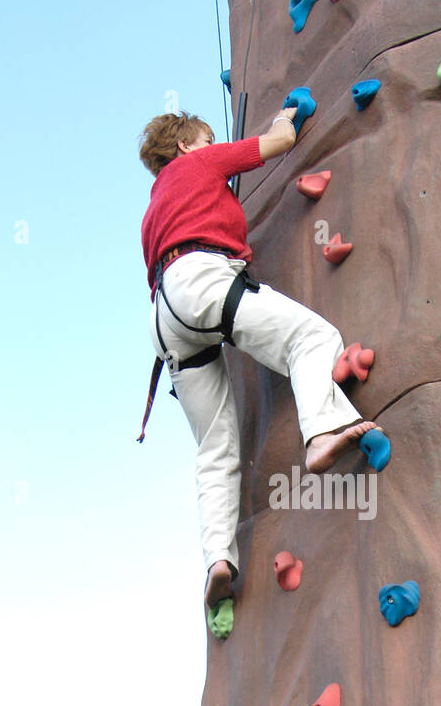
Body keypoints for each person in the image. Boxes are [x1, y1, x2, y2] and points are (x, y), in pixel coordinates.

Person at [138, 107, 379, 611]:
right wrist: (286, 116)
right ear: (186, 146)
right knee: (312, 336)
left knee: (214, 448)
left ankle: (218, 562)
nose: (214, 144)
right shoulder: (198, 164)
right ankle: (320, 434)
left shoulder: (154, 206)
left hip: (166, 318)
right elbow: (277, 142)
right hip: (203, 280)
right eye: (208, 137)